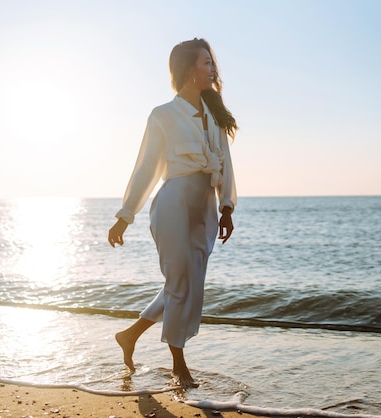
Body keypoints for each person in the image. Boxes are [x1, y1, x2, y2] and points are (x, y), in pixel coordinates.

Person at [107, 38, 238, 387]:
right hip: (173, 205)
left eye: (213, 62)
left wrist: (226, 207)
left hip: (205, 210)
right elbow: (146, 168)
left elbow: (226, 164)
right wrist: (125, 214)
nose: (213, 68)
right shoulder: (163, 115)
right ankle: (179, 365)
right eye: (206, 62)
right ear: (187, 69)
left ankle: (131, 334)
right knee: (180, 283)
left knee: (186, 284)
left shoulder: (216, 116)